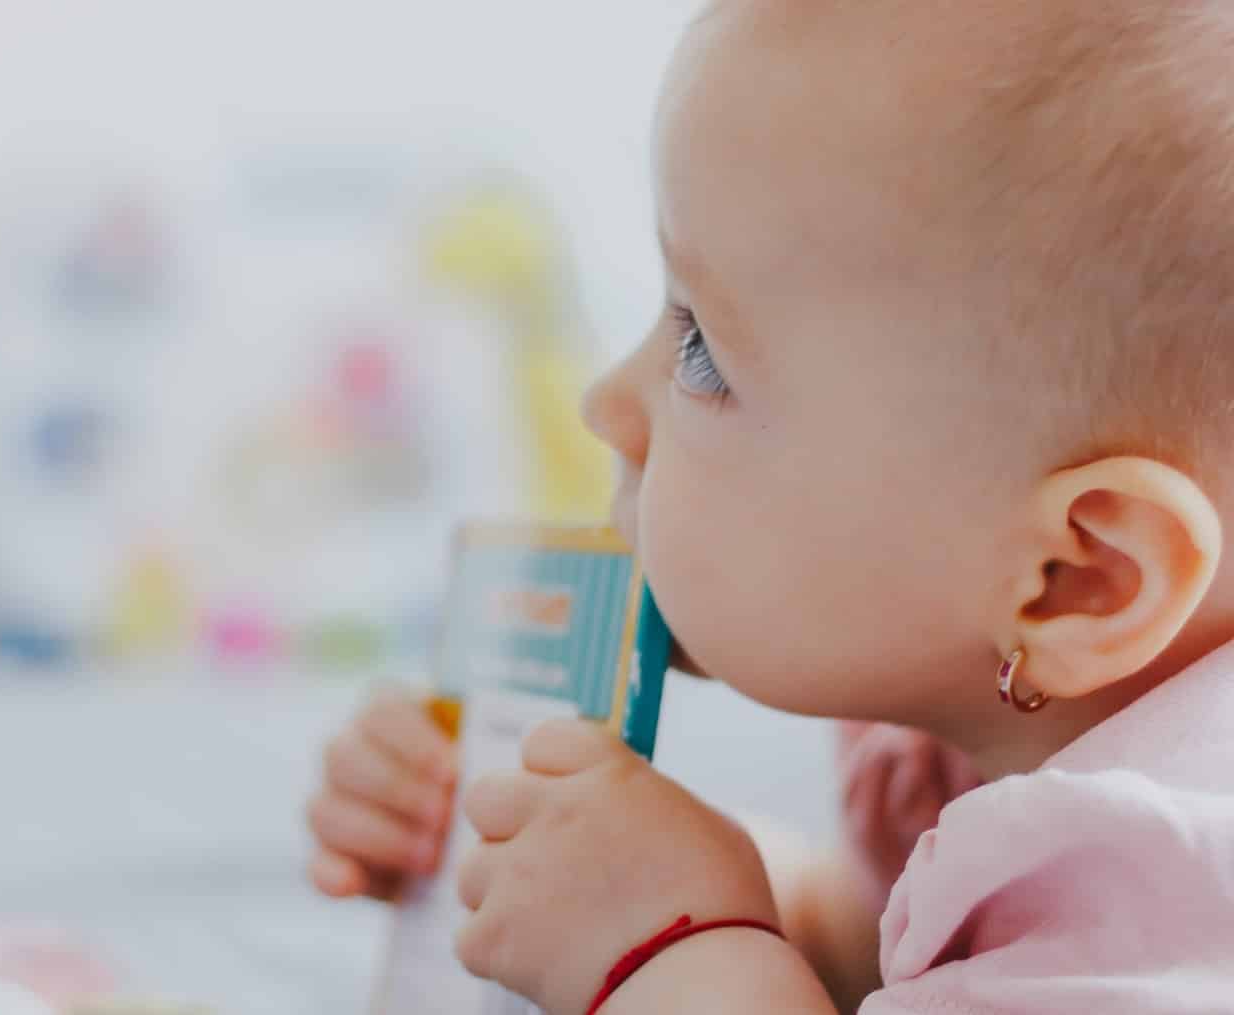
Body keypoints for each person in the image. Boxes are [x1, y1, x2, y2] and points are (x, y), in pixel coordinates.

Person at [307, 0, 1234, 1010]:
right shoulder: (1023, 742)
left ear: (1074, 579)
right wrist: (601, 870)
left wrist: (665, 950)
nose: (606, 401)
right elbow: (895, 954)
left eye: (702, 348)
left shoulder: (1169, 888)